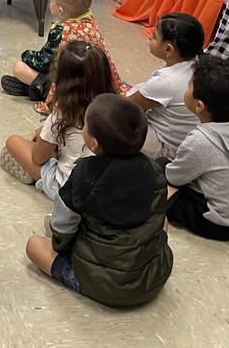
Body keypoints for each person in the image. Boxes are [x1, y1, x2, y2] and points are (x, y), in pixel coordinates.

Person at [25, 94, 174, 308]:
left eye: (85, 124)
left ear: (93, 144)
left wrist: (60, 245)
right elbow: (158, 219)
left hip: (104, 285)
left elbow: (63, 226)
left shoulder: (84, 173)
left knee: (34, 246)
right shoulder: (154, 170)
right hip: (154, 276)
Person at [159, 55, 229, 241]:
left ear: (199, 106)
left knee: (156, 175)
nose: (187, 87)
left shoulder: (200, 140)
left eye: (189, 85)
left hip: (216, 223)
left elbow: (174, 177)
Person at [1, 41, 119, 198]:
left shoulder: (63, 114)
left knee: (13, 142)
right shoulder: (115, 107)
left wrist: (45, 137)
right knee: (49, 137)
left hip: (69, 190)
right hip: (107, 184)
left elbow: (38, 157)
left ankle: (39, 177)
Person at [2, 0, 127, 111]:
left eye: (51, 1)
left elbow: (45, 61)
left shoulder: (61, 31)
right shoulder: (89, 20)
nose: (50, 3)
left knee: (19, 68)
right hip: (95, 82)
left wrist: (27, 55)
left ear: (61, 10)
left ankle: (41, 89)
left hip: (70, 86)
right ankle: (37, 87)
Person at [127, 12, 205, 157]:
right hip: (184, 142)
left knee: (111, 118)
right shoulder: (196, 60)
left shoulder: (167, 81)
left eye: (155, 36)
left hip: (166, 147)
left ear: (168, 49)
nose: (150, 37)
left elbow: (125, 105)